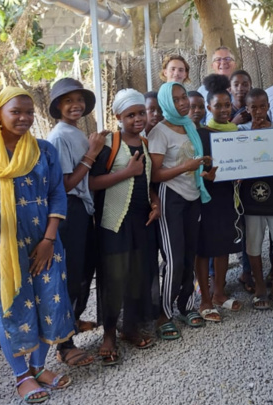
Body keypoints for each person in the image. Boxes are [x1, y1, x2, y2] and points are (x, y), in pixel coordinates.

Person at [0, 87, 73, 404]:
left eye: (29, 112)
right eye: (16, 112)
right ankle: (21, 376)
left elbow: (56, 195)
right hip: (4, 248)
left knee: (49, 303)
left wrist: (49, 240)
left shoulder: (45, 151)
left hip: (46, 242)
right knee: (13, 308)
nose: (24, 118)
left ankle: (39, 368)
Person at [89, 89, 161, 364]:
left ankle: (129, 327)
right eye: (130, 115)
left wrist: (156, 203)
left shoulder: (144, 143)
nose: (138, 119)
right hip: (115, 222)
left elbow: (148, 180)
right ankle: (109, 334)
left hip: (142, 221)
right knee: (114, 278)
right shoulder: (110, 144)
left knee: (138, 274)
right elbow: (93, 183)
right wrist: (126, 172)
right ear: (118, 117)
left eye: (141, 113)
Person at [45, 78, 106, 368]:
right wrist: (92, 153)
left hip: (83, 209)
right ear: (58, 106)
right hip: (70, 211)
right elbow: (66, 184)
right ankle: (64, 345)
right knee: (70, 274)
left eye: (79, 100)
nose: (75, 105)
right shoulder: (59, 136)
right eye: (68, 101)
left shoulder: (74, 132)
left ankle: (73, 319)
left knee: (85, 268)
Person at [148, 82, 212, 338]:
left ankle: (186, 305)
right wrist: (186, 167)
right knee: (173, 259)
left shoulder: (189, 126)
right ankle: (164, 314)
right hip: (170, 197)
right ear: (165, 103)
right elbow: (155, 174)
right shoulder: (159, 132)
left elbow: (192, 164)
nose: (183, 102)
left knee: (189, 254)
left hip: (193, 194)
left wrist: (202, 169)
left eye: (184, 96)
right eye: (175, 99)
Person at [194, 74, 244, 322]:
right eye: (218, 106)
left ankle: (219, 293)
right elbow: (195, 169)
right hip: (206, 195)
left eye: (227, 105)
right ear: (208, 108)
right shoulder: (202, 134)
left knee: (223, 244)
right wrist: (206, 178)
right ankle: (204, 300)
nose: (224, 110)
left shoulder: (236, 131)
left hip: (227, 195)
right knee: (204, 248)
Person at [240, 88, 273, 309]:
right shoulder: (239, 132)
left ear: (268, 106)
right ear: (247, 109)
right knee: (253, 243)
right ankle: (260, 287)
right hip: (251, 199)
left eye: (262, 106)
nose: (259, 111)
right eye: (254, 107)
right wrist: (251, 135)